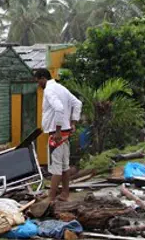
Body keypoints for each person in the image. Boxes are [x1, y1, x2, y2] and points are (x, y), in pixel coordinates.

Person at [36, 68, 82, 202]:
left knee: (55, 167)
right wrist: (73, 123)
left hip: (56, 134)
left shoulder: (49, 90)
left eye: (38, 81)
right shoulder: (61, 88)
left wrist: (57, 130)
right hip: (66, 132)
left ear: (43, 78)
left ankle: (51, 197)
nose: (38, 84)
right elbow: (77, 103)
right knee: (64, 166)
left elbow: (59, 108)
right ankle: (65, 193)